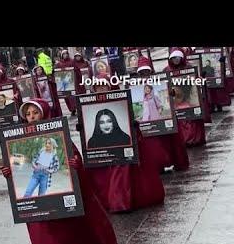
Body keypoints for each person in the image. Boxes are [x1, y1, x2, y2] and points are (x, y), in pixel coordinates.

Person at [1, 98, 124, 244]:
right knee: (45, 235)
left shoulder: (57, 134)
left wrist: (76, 164)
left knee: (69, 232)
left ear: (44, 113)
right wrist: (10, 171)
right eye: (28, 114)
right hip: (38, 198)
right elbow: (21, 165)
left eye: (35, 113)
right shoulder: (21, 139)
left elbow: (70, 159)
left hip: (56, 192)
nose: (32, 117)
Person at [85, 76, 165, 213]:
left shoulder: (122, 105)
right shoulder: (93, 137)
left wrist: (134, 127)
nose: (101, 90)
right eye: (98, 88)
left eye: (104, 87)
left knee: (122, 174)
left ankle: (121, 201)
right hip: (102, 155)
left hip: (123, 150)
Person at [135, 56, 189, 172]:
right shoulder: (136, 87)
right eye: (142, 72)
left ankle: (164, 162)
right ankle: (155, 165)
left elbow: (162, 105)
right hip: (145, 122)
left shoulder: (158, 85)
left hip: (157, 120)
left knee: (162, 143)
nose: (145, 74)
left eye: (146, 71)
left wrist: (171, 94)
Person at [164, 48, 207, 147]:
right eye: (174, 58)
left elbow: (195, 85)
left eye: (178, 57)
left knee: (192, 119)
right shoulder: (166, 70)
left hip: (189, 100)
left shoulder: (189, 68)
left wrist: (200, 79)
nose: (176, 60)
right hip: (176, 101)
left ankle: (195, 139)